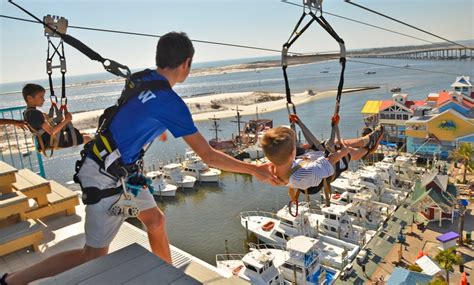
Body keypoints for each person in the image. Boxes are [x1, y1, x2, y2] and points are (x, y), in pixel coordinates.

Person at [2, 32, 282, 285]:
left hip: (124, 172)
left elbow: (134, 114)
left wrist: (155, 131)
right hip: (104, 175)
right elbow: (208, 156)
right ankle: (12, 280)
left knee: (155, 221)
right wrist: (254, 169)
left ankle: (167, 276)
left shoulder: (142, 77)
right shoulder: (171, 103)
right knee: (92, 255)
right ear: (186, 63)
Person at [260, 125, 384, 191]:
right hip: (322, 174)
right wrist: (343, 152)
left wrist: (298, 123)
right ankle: (367, 149)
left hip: (306, 162)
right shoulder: (302, 175)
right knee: (348, 153)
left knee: (333, 143)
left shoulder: (270, 166)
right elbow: (330, 161)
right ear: (293, 152)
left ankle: (365, 140)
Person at [21, 83, 92, 151]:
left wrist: (55, 119)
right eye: (41, 96)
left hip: (47, 140)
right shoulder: (35, 114)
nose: (44, 99)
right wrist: (66, 120)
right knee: (88, 138)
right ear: (30, 98)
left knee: (83, 135)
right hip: (52, 141)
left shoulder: (27, 113)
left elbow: (42, 127)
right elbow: (51, 131)